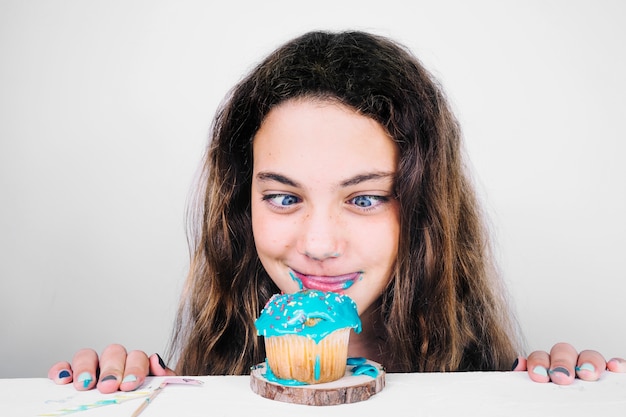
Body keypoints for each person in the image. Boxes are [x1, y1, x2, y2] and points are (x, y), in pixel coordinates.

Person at [48, 30, 625, 393]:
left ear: (425, 214)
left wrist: (561, 396)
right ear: (241, 208)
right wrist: (143, 394)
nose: (319, 243)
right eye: (283, 196)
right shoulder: (199, 388)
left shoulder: (498, 387)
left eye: (366, 198)